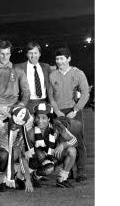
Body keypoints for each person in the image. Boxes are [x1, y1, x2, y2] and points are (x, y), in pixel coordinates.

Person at [0, 40, 30, 191]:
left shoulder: (18, 71)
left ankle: (12, 178)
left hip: (13, 113)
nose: (5, 56)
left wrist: (20, 107)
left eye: (7, 53)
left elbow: (26, 92)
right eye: (2, 53)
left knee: (15, 146)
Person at [48, 46, 90, 183]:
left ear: (69, 59)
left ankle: (81, 172)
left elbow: (85, 93)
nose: (59, 61)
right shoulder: (52, 75)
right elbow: (51, 96)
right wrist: (57, 111)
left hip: (73, 112)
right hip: (58, 113)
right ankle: (69, 171)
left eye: (62, 58)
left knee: (79, 141)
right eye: (57, 59)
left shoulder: (78, 73)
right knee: (63, 142)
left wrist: (76, 110)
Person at [26, 103, 78, 188]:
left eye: (43, 118)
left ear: (49, 118)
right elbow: (24, 153)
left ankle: (62, 179)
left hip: (53, 156)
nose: (40, 120)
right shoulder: (31, 131)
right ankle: (34, 176)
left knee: (72, 151)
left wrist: (63, 145)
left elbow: (74, 140)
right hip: (36, 160)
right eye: (38, 117)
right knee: (45, 163)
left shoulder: (57, 126)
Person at [14, 41, 54, 113]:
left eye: (35, 53)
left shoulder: (46, 67)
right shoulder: (18, 68)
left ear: (40, 54)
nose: (33, 56)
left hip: (44, 102)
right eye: (30, 53)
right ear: (26, 54)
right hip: (26, 103)